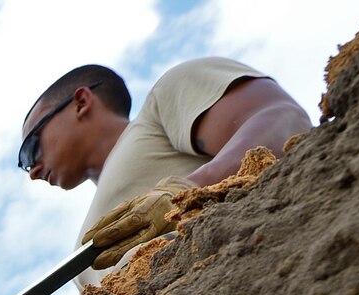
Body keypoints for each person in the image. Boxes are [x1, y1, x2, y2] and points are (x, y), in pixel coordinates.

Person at [18, 59, 312, 282]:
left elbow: (281, 117)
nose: (32, 170)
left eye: (31, 149)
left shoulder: (163, 101)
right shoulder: (82, 252)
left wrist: (184, 192)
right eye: (26, 164)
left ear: (81, 102)